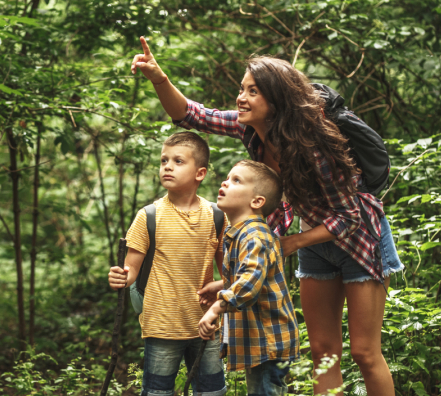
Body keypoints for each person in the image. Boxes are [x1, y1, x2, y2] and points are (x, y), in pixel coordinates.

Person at [131, 37, 404, 396]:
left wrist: (291, 242)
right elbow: (192, 115)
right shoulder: (250, 129)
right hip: (314, 241)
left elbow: (350, 216)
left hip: (361, 239)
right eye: (241, 89)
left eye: (253, 91)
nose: (241, 98)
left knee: (364, 353)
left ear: (276, 100)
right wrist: (158, 77)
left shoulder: (313, 145)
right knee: (324, 353)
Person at [108, 131, 228, 396]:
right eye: (164, 161)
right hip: (161, 325)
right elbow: (131, 270)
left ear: (200, 173)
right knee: (157, 392)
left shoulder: (217, 216)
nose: (168, 167)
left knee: (212, 391)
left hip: (205, 322)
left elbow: (228, 273)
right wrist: (121, 277)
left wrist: (221, 288)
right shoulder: (148, 216)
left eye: (178, 161)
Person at [198, 160, 299, 396]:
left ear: (257, 201)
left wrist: (216, 308)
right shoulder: (242, 233)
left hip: (268, 340)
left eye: (236, 180)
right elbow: (255, 276)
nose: (225, 182)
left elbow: (248, 287)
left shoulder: (254, 236)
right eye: (227, 177)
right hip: (260, 340)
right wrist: (221, 285)